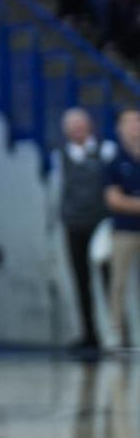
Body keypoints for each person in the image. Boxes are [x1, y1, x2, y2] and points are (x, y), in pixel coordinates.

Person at [51, 108, 113, 352]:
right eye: (71, 126)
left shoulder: (106, 151)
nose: (76, 130)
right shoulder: (61, 157)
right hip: (74, 224)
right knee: (80, 281)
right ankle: (90, 333)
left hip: (102, 224)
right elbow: (58, 190)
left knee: (110, 281)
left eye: (80, 125)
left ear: (90, 126)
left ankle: (116, 332)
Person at [100, 109, 140, 351]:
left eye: (138, 121)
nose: (134, 126)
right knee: (119, 283)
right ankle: (115, 334)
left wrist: (130, 202)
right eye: (129, 121)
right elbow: (114, 200)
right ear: (119, 128)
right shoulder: (114, 160)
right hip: (124, 231)